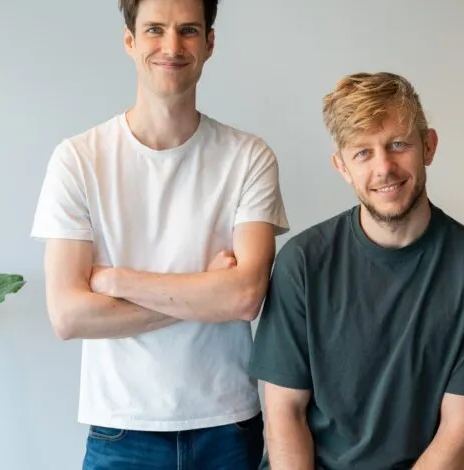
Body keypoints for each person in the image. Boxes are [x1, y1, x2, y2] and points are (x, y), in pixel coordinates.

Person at [30, 0, 289, 468]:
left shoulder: (249, 157)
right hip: (121, 431)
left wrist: (118, 281)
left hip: (228, 427)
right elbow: (68, 315)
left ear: (209, 43)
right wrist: (206, 292)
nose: (172, 46)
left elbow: (244, 296)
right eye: (154, 30)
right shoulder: (78, 160)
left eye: (188, 30)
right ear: (130, 41)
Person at [248, 72, 464, 470]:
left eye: (398, 144)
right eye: (363, 153)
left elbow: (459, 435)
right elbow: (284, 415)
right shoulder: (302, 263)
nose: (384, 167)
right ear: (341, 166)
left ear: (428, 146)